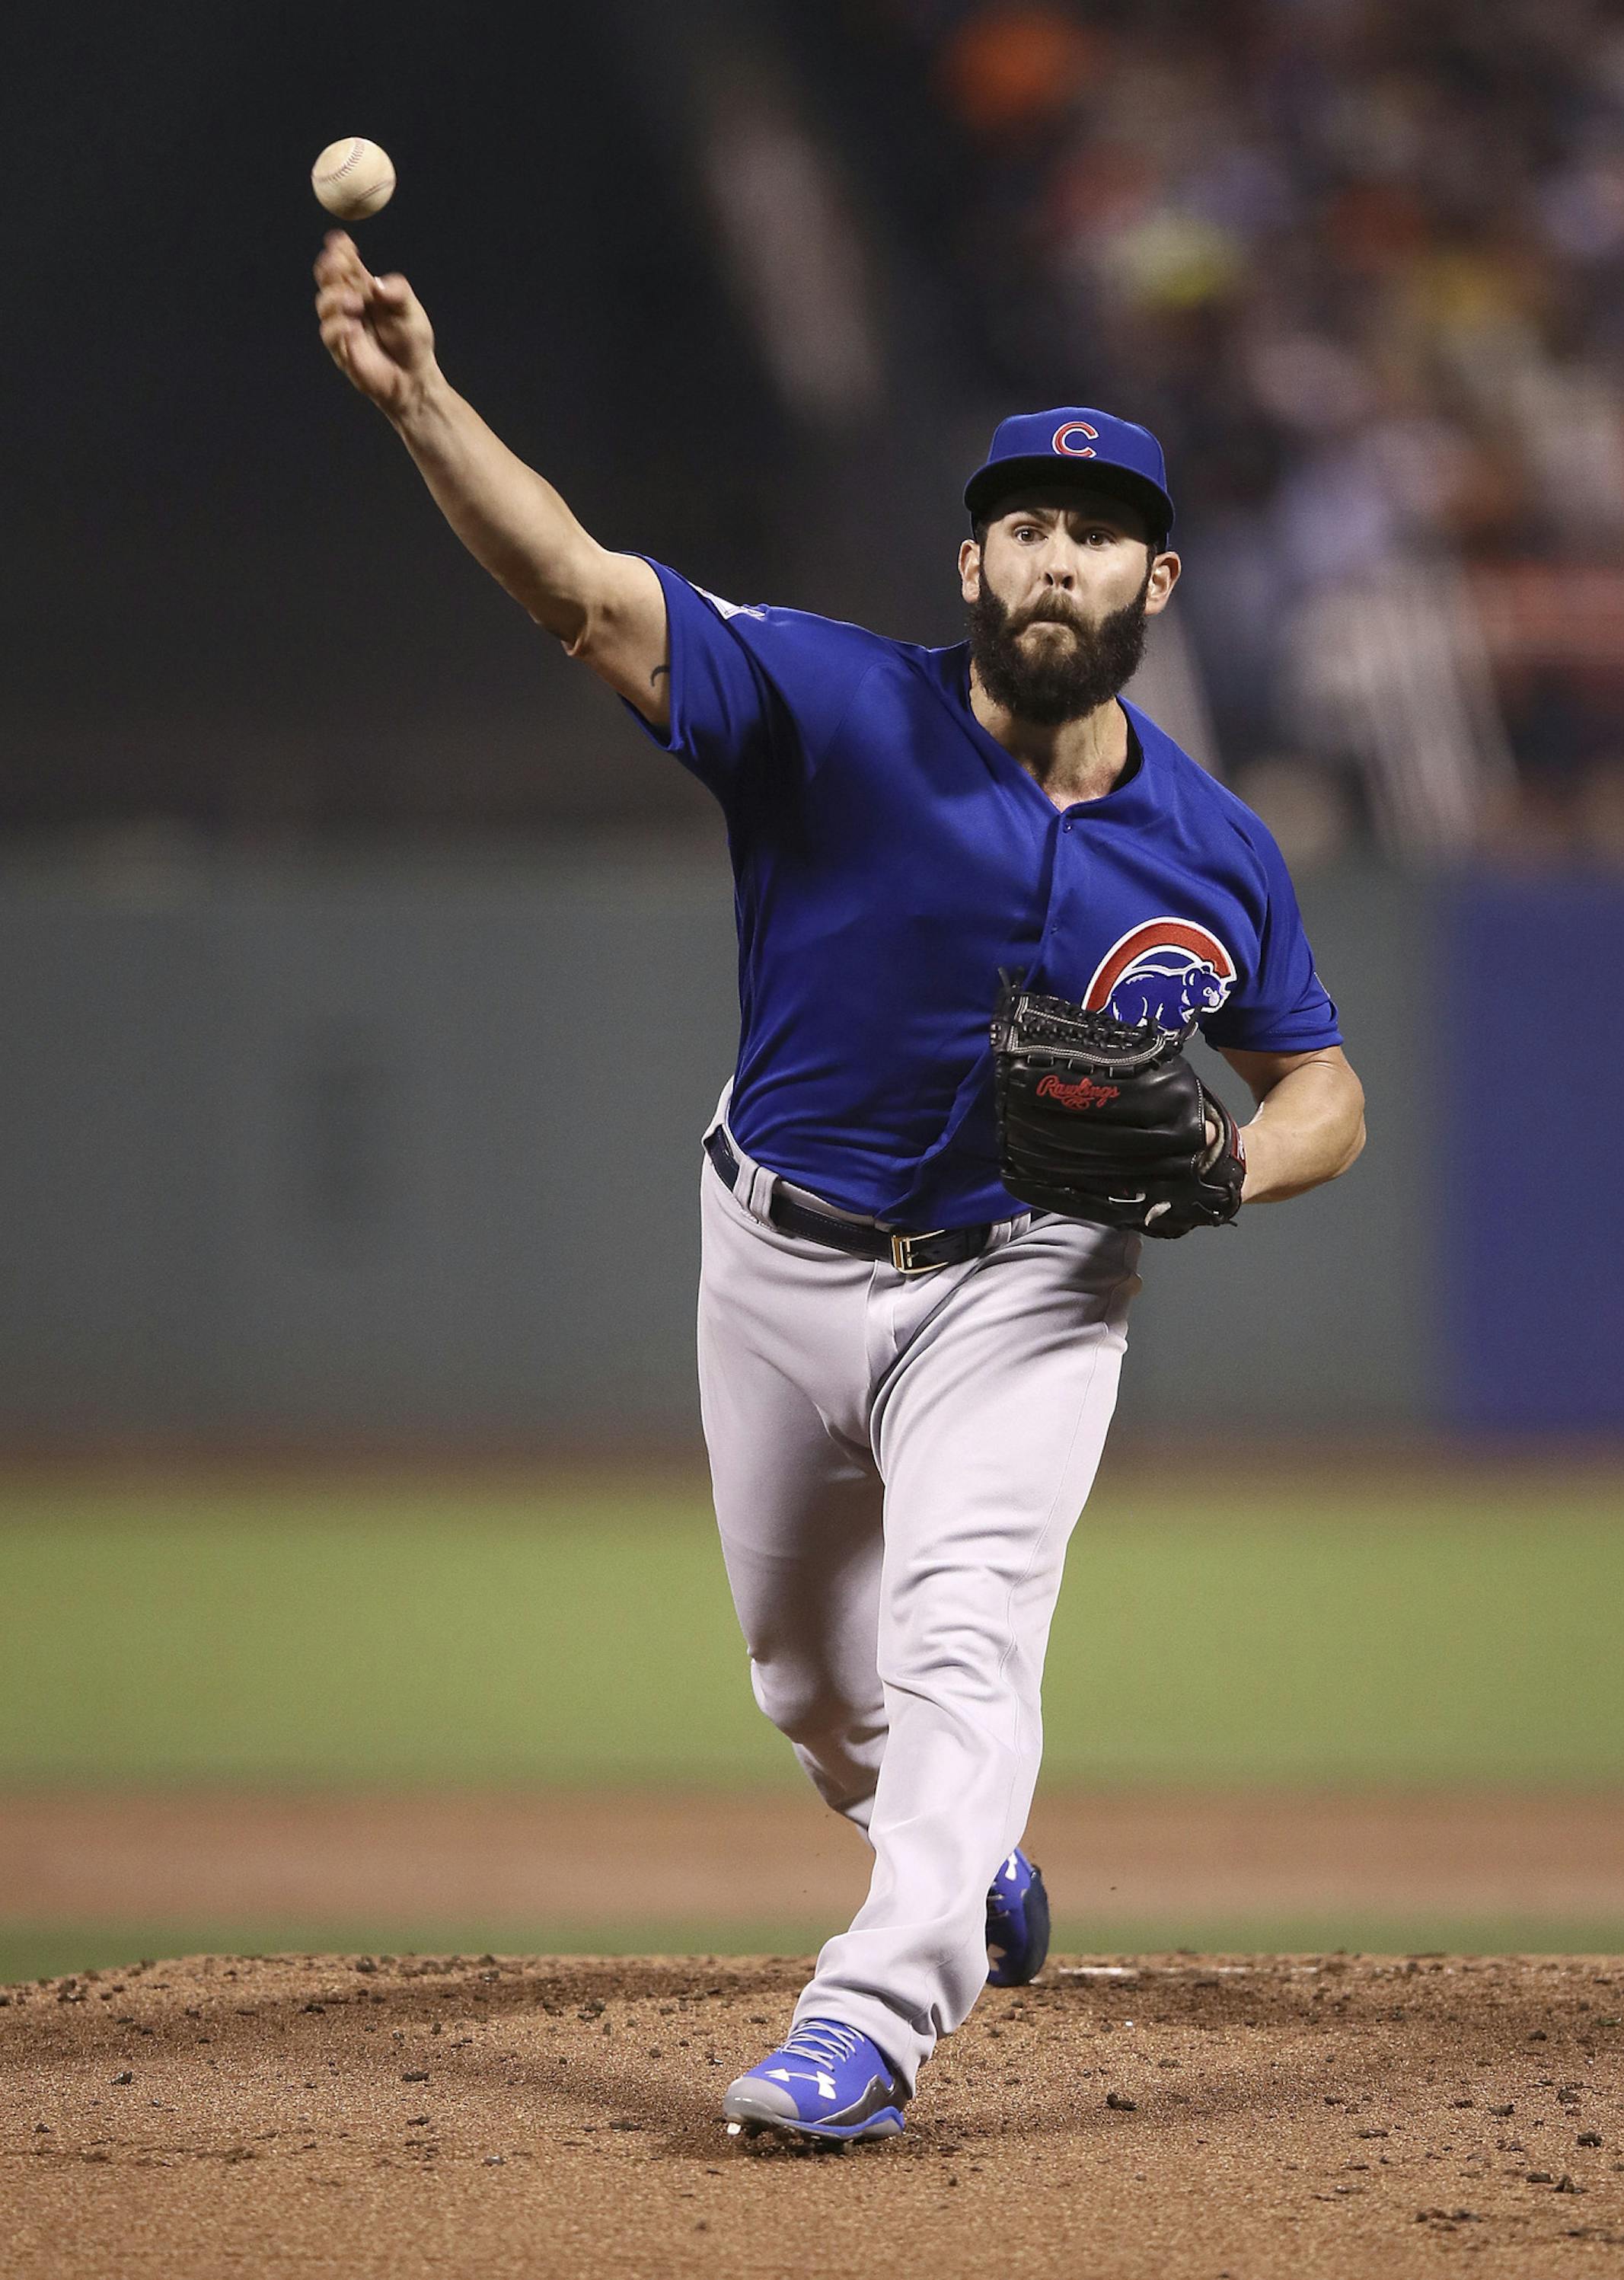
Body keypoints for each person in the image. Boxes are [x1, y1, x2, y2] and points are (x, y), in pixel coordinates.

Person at [314, 233, 1367, 2148]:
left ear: (1159, 578)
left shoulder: (1215, 848)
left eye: (1101, 529)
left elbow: (1326, 1087)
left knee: (967, 1632)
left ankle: (868, 2023)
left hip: (1029, 1278)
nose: (1060, 557)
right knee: (820, 1692)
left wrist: (1230, 1156)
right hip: (776, 1249)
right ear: (970, 565)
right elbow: (574, 585)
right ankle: (966, 1856)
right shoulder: (822, 702)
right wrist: (424, 404)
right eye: (1026, 526)